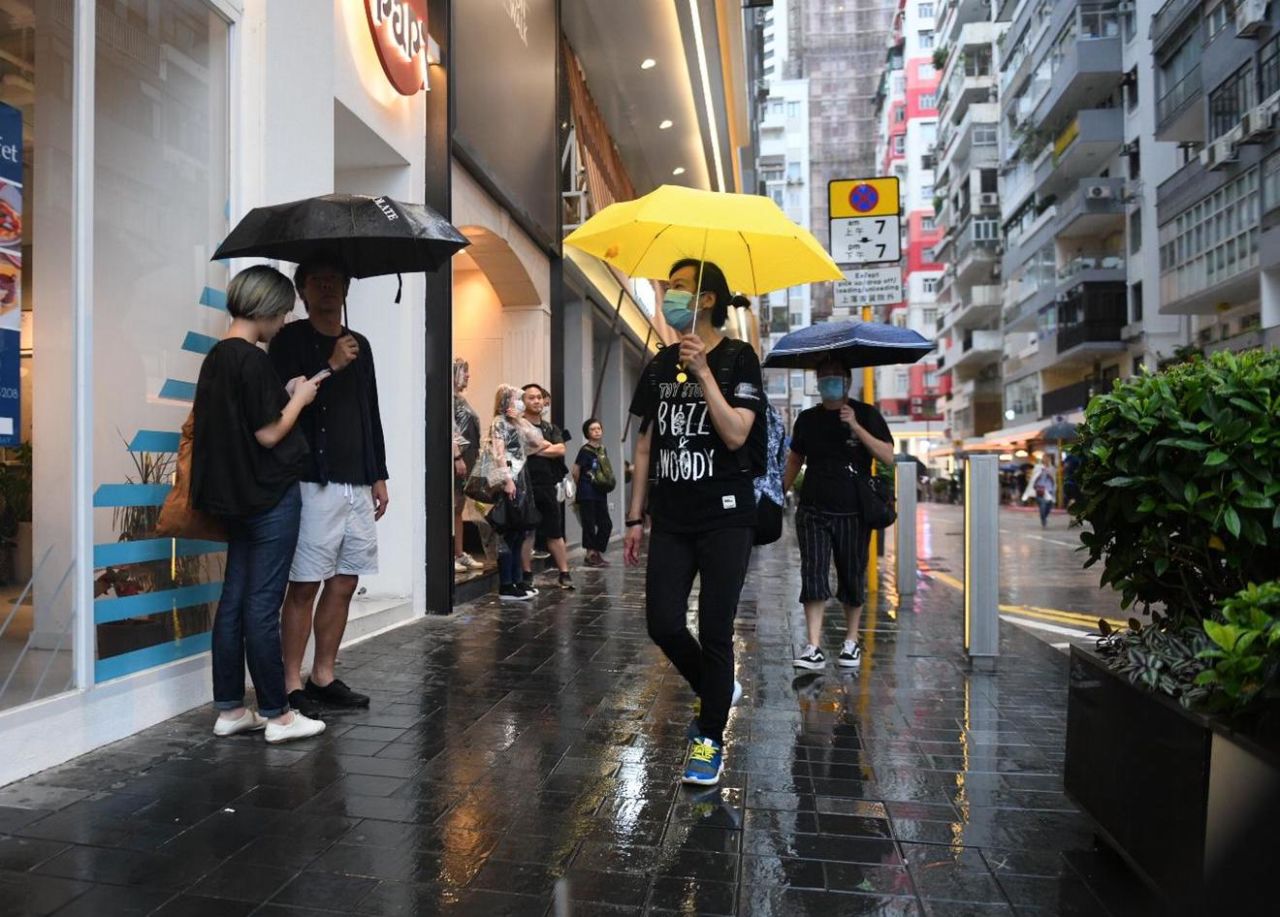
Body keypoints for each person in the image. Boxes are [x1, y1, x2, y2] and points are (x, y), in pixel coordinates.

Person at [624, 258, 765, 787]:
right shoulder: (660, 364)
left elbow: (735, 434)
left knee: (714, 629)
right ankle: (716, 687)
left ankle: (710, 739)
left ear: (706, 299)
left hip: (727, 516)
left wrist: (704, 372)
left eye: (679, 287)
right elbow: (645, 443)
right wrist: (635, 517)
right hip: (673, 517)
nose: (670, 296)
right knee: (662, 623)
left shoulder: (738, 358)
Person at [190, 266, 326, 744]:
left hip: (235, 499)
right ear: (266, 307)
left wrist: (283, 396)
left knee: (234, 602)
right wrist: (302, 398)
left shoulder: (217, 358)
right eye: (284, 310)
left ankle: (230, 709)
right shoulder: (252, 359)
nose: (286, 319)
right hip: (269, 496)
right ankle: (278, 715)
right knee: (263, 605)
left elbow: (243, 421)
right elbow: (269, 432)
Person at [269, 259, 389, 717]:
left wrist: (378, 472)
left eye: (335, 280)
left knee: (345, 580)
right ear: (301, 290)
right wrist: (331, 364)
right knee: (303, 584)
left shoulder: (362, 345)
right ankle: (289, 682)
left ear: (345, 288)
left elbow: (369, 409)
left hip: (357, 481)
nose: (326, 287)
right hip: (311, 480)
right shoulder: (288, 341)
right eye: (316, 280)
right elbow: (281, 402)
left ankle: (324, 675)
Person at [784, 356, 894, 671]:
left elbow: (887, 456)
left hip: (853, 510)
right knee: (813, 573)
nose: (828, 381)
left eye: (835, 376)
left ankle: (850, 641)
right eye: (823, 376)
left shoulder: (867, 415)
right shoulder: (807, 419)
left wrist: (855, 426)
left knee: (851, 575)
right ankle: (814, 646)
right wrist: (779, 491)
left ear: (847, 381)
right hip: (814, 508)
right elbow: (795, 459)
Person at [490, 384, 546, 600]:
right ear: (506, 401)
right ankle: (506, 584)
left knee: (520, 532)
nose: (520, 402)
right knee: (509, 533)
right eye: (516, 398)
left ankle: (516, 580)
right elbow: (498, 453)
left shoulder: (515, 422)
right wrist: (507, 480)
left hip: (522, 479)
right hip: (510, 480)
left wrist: (520, 419)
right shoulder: (498, 423)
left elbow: (537, 441)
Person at [520, 384, 574, 591]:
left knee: (555, 531)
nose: (536, 401)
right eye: (531, 398)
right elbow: (522, 450)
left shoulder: (551, 428)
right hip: (525, 485)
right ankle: (526, 574)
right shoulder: (519, 427)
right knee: (528, 532)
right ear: (523, 402)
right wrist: (540, 448)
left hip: (548, 486)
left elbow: (561, 450)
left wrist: (536, 450)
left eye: (539, 397)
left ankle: (564, 573)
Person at [453, 359, 484, 572]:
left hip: (468, 458)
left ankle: (459, 552)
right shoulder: (450, 400)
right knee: (454, 506)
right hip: (459, 460)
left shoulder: (461, 400)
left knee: (459, 507)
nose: (468, 377)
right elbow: (452, 432)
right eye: (465, 372)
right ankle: (453, 553)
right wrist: (457, 457)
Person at [573, 418, 614, 566]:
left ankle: (596, 551)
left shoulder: (602, 449)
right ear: (587, 433)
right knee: (589, 523)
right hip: (587, 491)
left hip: (600, 491)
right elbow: (575, 470)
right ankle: (591, 554)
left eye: (598, 428)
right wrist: (581, 486)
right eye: (592, 429)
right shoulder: (585, 450)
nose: (596, 431)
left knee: (606, 524)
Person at [1025, 454, 1057, 527]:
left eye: (1048, 458)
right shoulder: (1038, 467)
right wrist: (1040, 473)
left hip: (1049, 490)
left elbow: (1054, 479)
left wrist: (1049, 474)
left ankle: (1044, 517)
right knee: (1042, 505)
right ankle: (1043, 519)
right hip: (1039, 489)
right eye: (1045, 458)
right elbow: (1033, 478)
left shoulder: (1052, 468)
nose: (1046, 459)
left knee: (1049, 506)